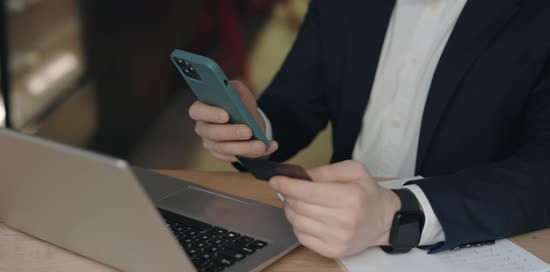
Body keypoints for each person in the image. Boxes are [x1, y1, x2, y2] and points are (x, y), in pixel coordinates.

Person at [187, 0, 550, 257]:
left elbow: (542, 172)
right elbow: (296, 105)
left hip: (472, 250)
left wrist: (398, 212)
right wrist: (250, 128)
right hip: (330, 244)